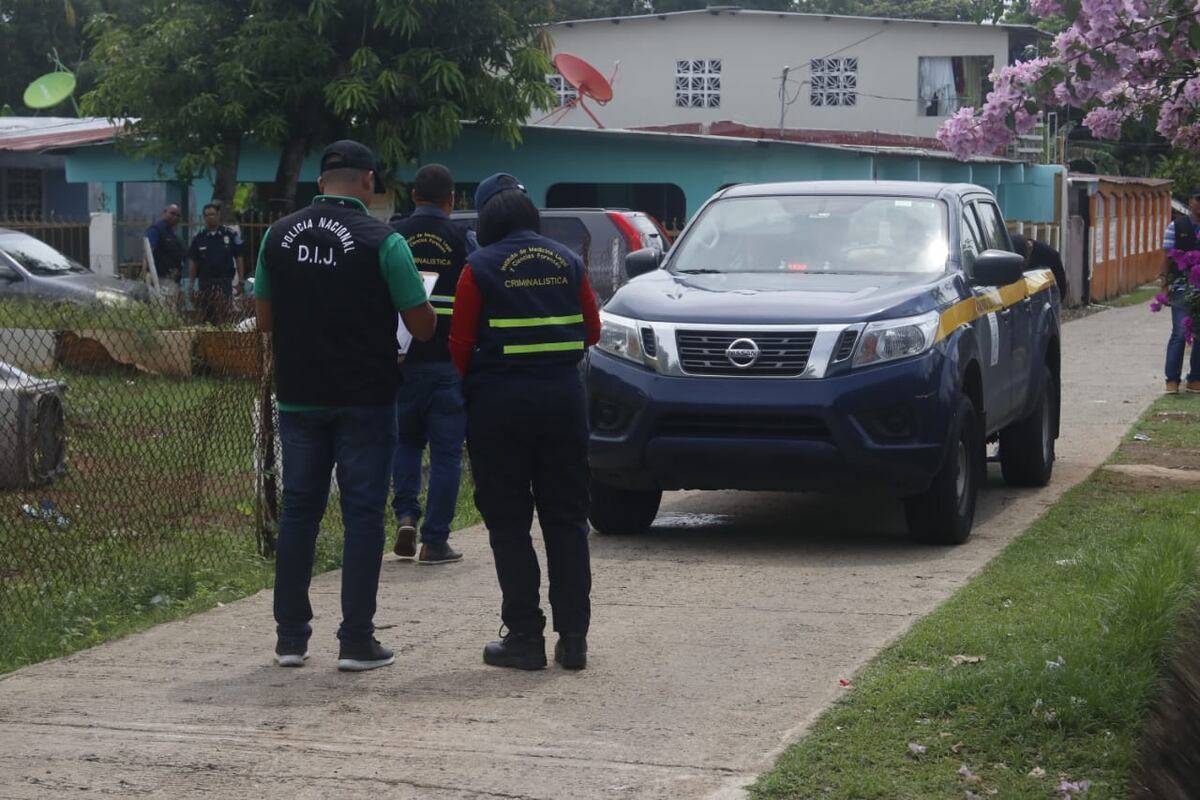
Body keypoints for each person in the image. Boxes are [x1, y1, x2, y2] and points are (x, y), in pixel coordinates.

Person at [254, 139, 436, 671]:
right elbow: (421, 324)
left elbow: (265, 320)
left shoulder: (276, 236)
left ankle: (290, 639)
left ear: (319, 184)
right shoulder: (385, 241)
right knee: (361, 516)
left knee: (299, 513)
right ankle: (356, 641)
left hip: (299, 396)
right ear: (369, 183)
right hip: (366, 399)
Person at [448, 173, 601, 671]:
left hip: (499, 410)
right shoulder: (569, 261)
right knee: (567, 520)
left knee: (509, 524)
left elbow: (458, 348)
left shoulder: (478, 268)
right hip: (563, 404)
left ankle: (524, 638)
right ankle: (573, 638)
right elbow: (592, 331)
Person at [388, 165, 474, 565]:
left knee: (405, 442)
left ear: (412, 196)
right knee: (445, 454)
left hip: (402, 361)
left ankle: (405, 515)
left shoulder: (393, 237)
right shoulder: (462, 240)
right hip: (447, 363)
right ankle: (434, 541)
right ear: (451, 199)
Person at [1161, 193, 1200, 394]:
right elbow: (1167, 257)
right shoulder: (1176, 226)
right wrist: (1164, 286)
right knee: (1179, 333)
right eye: (1198, 199)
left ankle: (1195, 379)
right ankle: (1172, 380)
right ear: (1191, 202)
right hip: (1181, 288)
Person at [189, 203, 245, 325]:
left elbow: (239, 257)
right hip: (205, 283)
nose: (210, 217)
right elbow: (194, 263)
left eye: (213, 214)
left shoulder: (230, 235)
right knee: (206, 316)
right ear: (204, 217)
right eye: (207, 215)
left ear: (218, 215)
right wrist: (191, 285)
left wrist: (241, 281)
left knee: (224, 315)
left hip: (224, 282)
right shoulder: (199, 238)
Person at [1009, 232, 1067, 300]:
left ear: (1030, 247)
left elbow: (1061, 286)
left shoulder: (1051, 256)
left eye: (1025, 261)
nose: (1024, 265)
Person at [144, 204, 185, 295]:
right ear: (164, 213)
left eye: (178, 215)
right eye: (172, 213)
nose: (175, 217)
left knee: (172, 307)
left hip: (173, 280)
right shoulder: (156, 229)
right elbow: (148, 254)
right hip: (160, 280)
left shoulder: (173, 234)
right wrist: (147, 277)